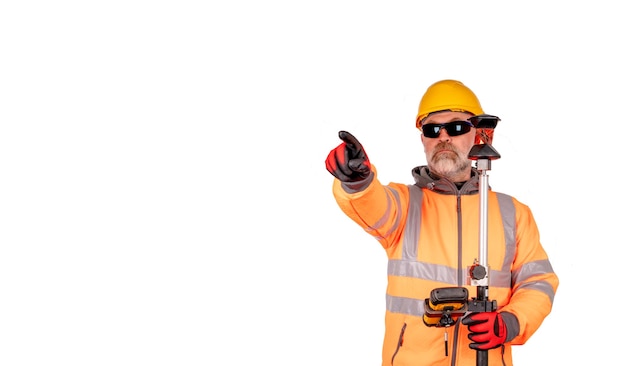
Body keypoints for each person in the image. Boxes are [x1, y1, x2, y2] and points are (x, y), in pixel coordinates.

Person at [324, 79, 559, 366]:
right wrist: (358, 180)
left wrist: (510, 322)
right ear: (423, 138)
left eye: (457, 127)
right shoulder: (403, 204)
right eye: (432, 129)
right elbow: (370, 204)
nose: (443, 137)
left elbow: (539, 282)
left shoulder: (513, 213)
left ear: (479, 135)